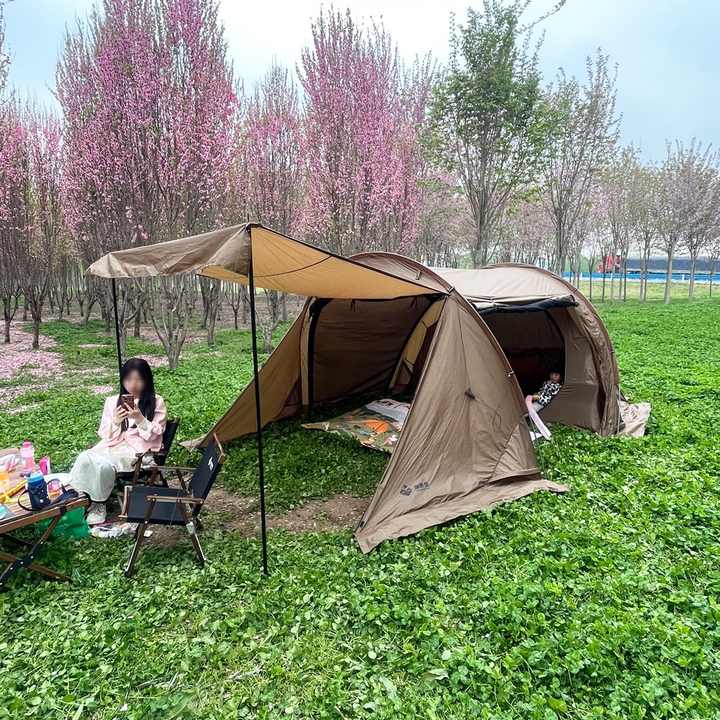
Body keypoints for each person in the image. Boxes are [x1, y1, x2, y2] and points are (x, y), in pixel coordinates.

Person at [69, 358, 167, 525]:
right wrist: (115, 421)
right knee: (85, 457)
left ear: (147, 380)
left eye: (139, 379)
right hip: (114, 445)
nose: (133, 385)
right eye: (128, 379)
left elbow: (156, 434)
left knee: (103, 465)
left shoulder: (156, 401)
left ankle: (99, 503)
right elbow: (105, 434)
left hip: (139, 452)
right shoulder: (112, 401)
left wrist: (140, 418)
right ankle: (80, 496)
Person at [525, 370, 562, 440]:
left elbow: (548, 399)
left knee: (527, 410)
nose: (554, 376)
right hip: (537, 400)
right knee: (526, 407)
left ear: (560, 377)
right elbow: (541, 391)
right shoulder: (547, 383)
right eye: (552, 374)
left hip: (542, 403)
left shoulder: (557, 387)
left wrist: (539, 397)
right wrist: (537, 394)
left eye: (556, 375)